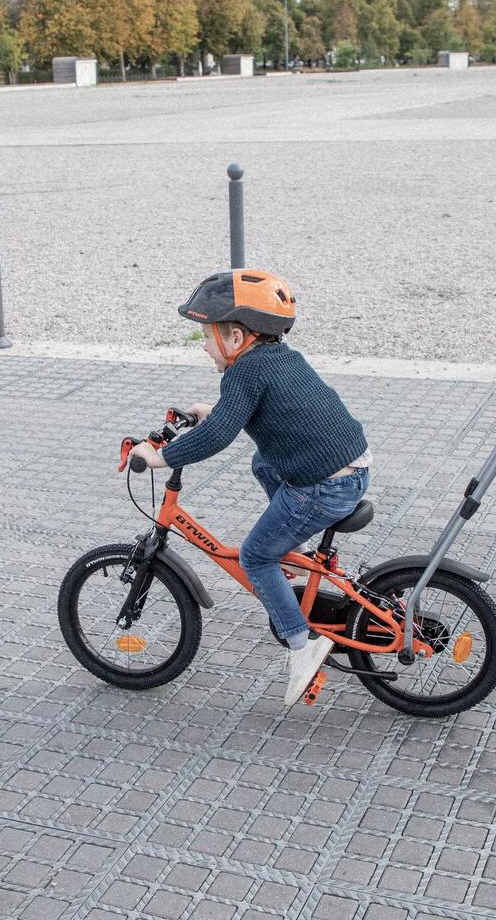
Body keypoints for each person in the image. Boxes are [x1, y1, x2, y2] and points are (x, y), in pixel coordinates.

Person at [131, 269, 372, 707]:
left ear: (237, 337)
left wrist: (160, 457)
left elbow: (219, 436)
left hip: (323, 487)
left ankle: (302, 647)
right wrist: (216, 410)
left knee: (254, 556)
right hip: (348, 468)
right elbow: (263, 409)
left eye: (207, 337)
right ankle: (287, 551)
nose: (204, 347)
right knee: (263, 462)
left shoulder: (244, 373)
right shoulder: (280, 359)